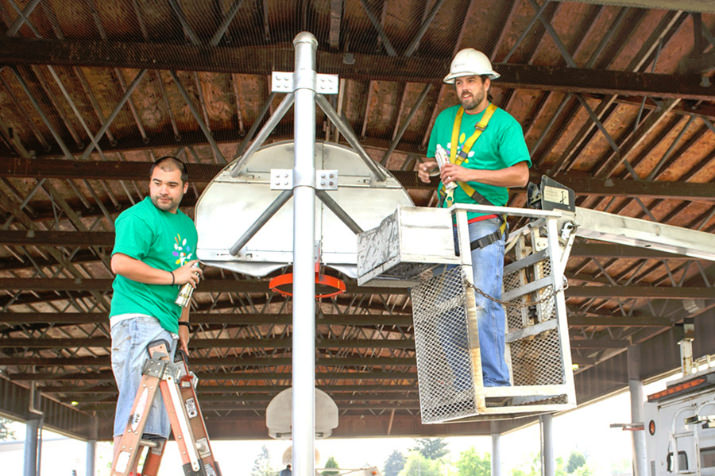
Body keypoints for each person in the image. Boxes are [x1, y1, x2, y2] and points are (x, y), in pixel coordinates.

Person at [417, 48, 531, 388]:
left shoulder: (504, 125)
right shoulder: (445, 120)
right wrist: (426, 168)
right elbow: (436, 162)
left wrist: (469, 174)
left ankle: (495, 383)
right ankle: (469, 385)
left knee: (482, 302)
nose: (464, 88)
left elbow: (521, 176)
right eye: (459, 82)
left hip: (482, 220)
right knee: (445, 312)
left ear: (486, 83)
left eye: (470, 81)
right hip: (447, 223)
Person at [109, 156, 203, 463]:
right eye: (157, 183)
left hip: (166, 322)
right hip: (137, 316)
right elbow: (120, 263)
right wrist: (173, 277)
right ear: (149, 184)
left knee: (157, 421)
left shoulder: (187, 227)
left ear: (185, 188)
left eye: (172, 185)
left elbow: (187, 279)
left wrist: (183, 326)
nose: (163, 191)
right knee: (136, 409)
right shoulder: (138, 218)